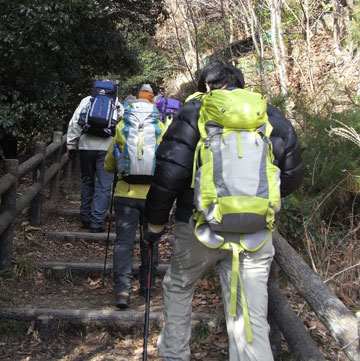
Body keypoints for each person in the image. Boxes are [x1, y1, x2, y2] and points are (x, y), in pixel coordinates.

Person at [144, 60, 303, 361]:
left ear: (206, 86)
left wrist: (154, 224)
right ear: (242, 84)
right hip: (254, 232)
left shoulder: (194, 112)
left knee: (179, 286)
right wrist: (254, 202)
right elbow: (292, 175)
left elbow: (169, 174)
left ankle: (175, 354)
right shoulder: (269, 115)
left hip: (199, 225)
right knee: (251, 315)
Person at [104, 84, 166, 309]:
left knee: (123, 243)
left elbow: (110, 164)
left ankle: (122, 290)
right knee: (150, 241)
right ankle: (147, 286)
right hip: (152, 195)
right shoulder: (160, 126)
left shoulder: (123, 126)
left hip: (125, 193)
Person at [67, 81, 123, 233]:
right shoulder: (117, 104)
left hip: (86, 147)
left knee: (87, 181)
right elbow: (121, 129)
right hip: (106, 148)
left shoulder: (87, 101)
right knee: (103, 186)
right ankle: (97, 222)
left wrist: (71, 145)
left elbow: (74, 124)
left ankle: (85, 218)